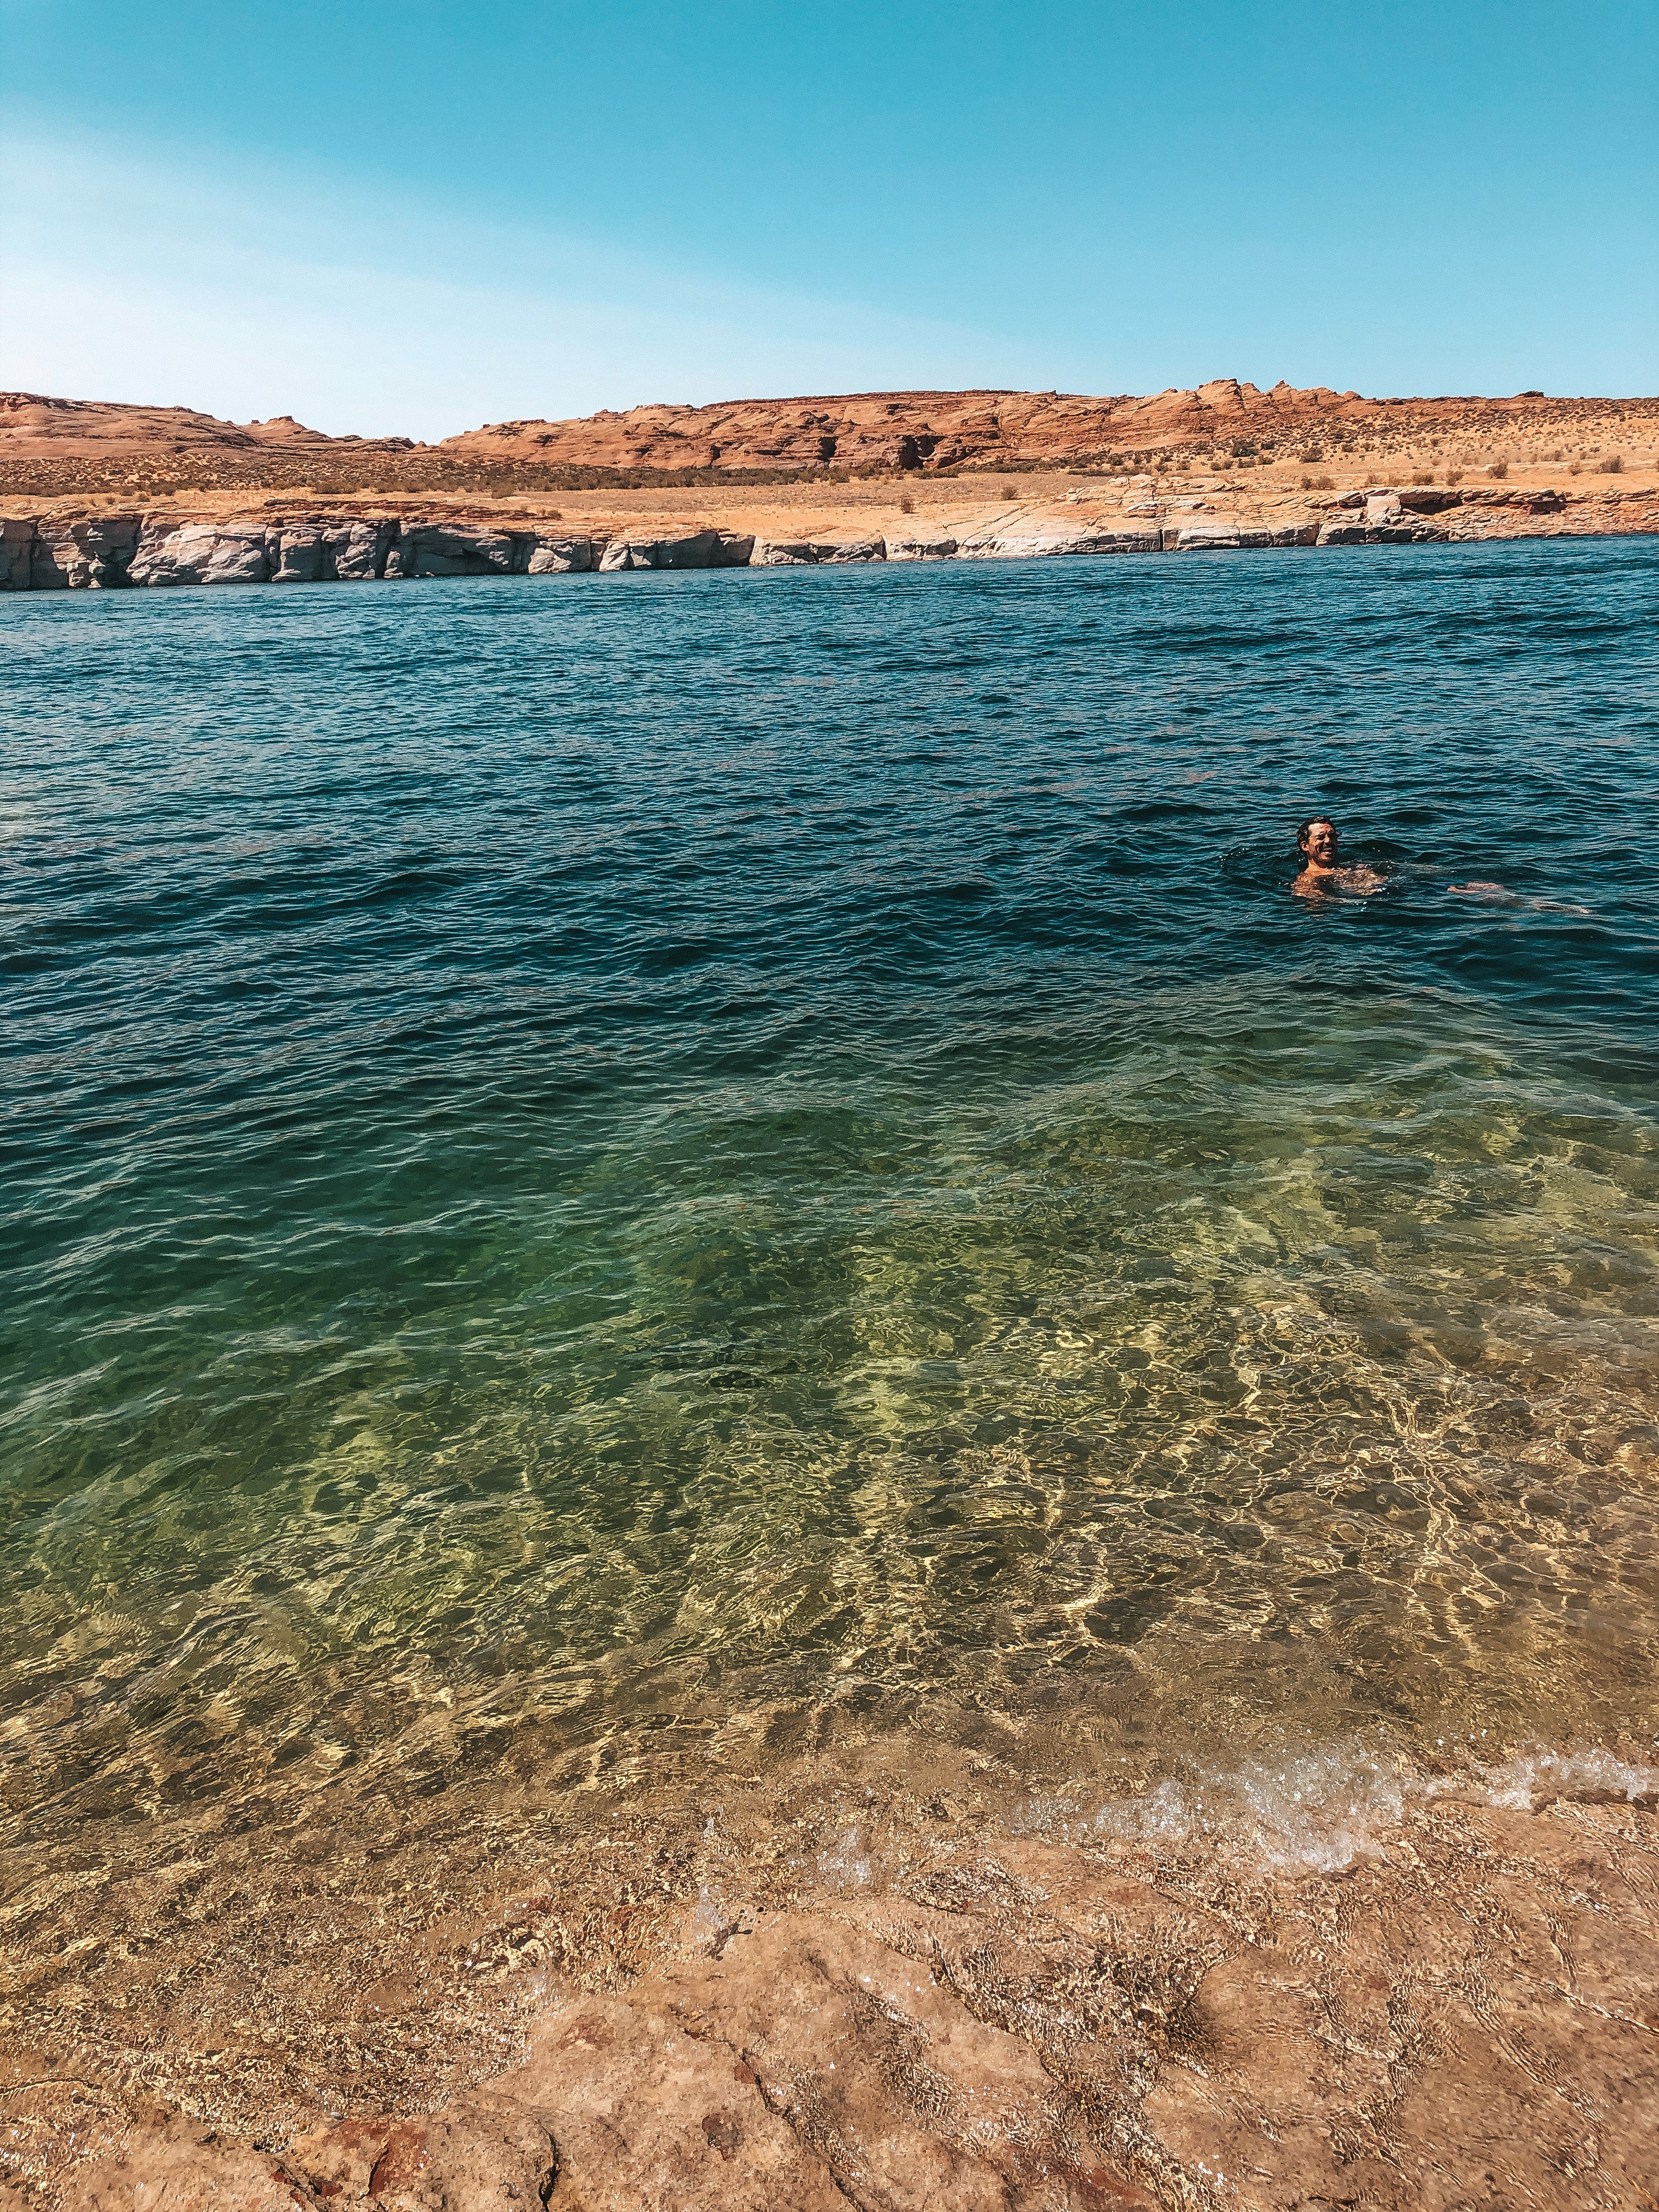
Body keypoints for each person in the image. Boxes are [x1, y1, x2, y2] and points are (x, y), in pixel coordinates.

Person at [1293, 816, 1386, 898]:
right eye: (1321, 837)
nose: (1328, 841)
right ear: (1305, 846)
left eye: (1332, 836)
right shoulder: (1307, 881)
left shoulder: (1356, 867)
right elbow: (1318, 909)